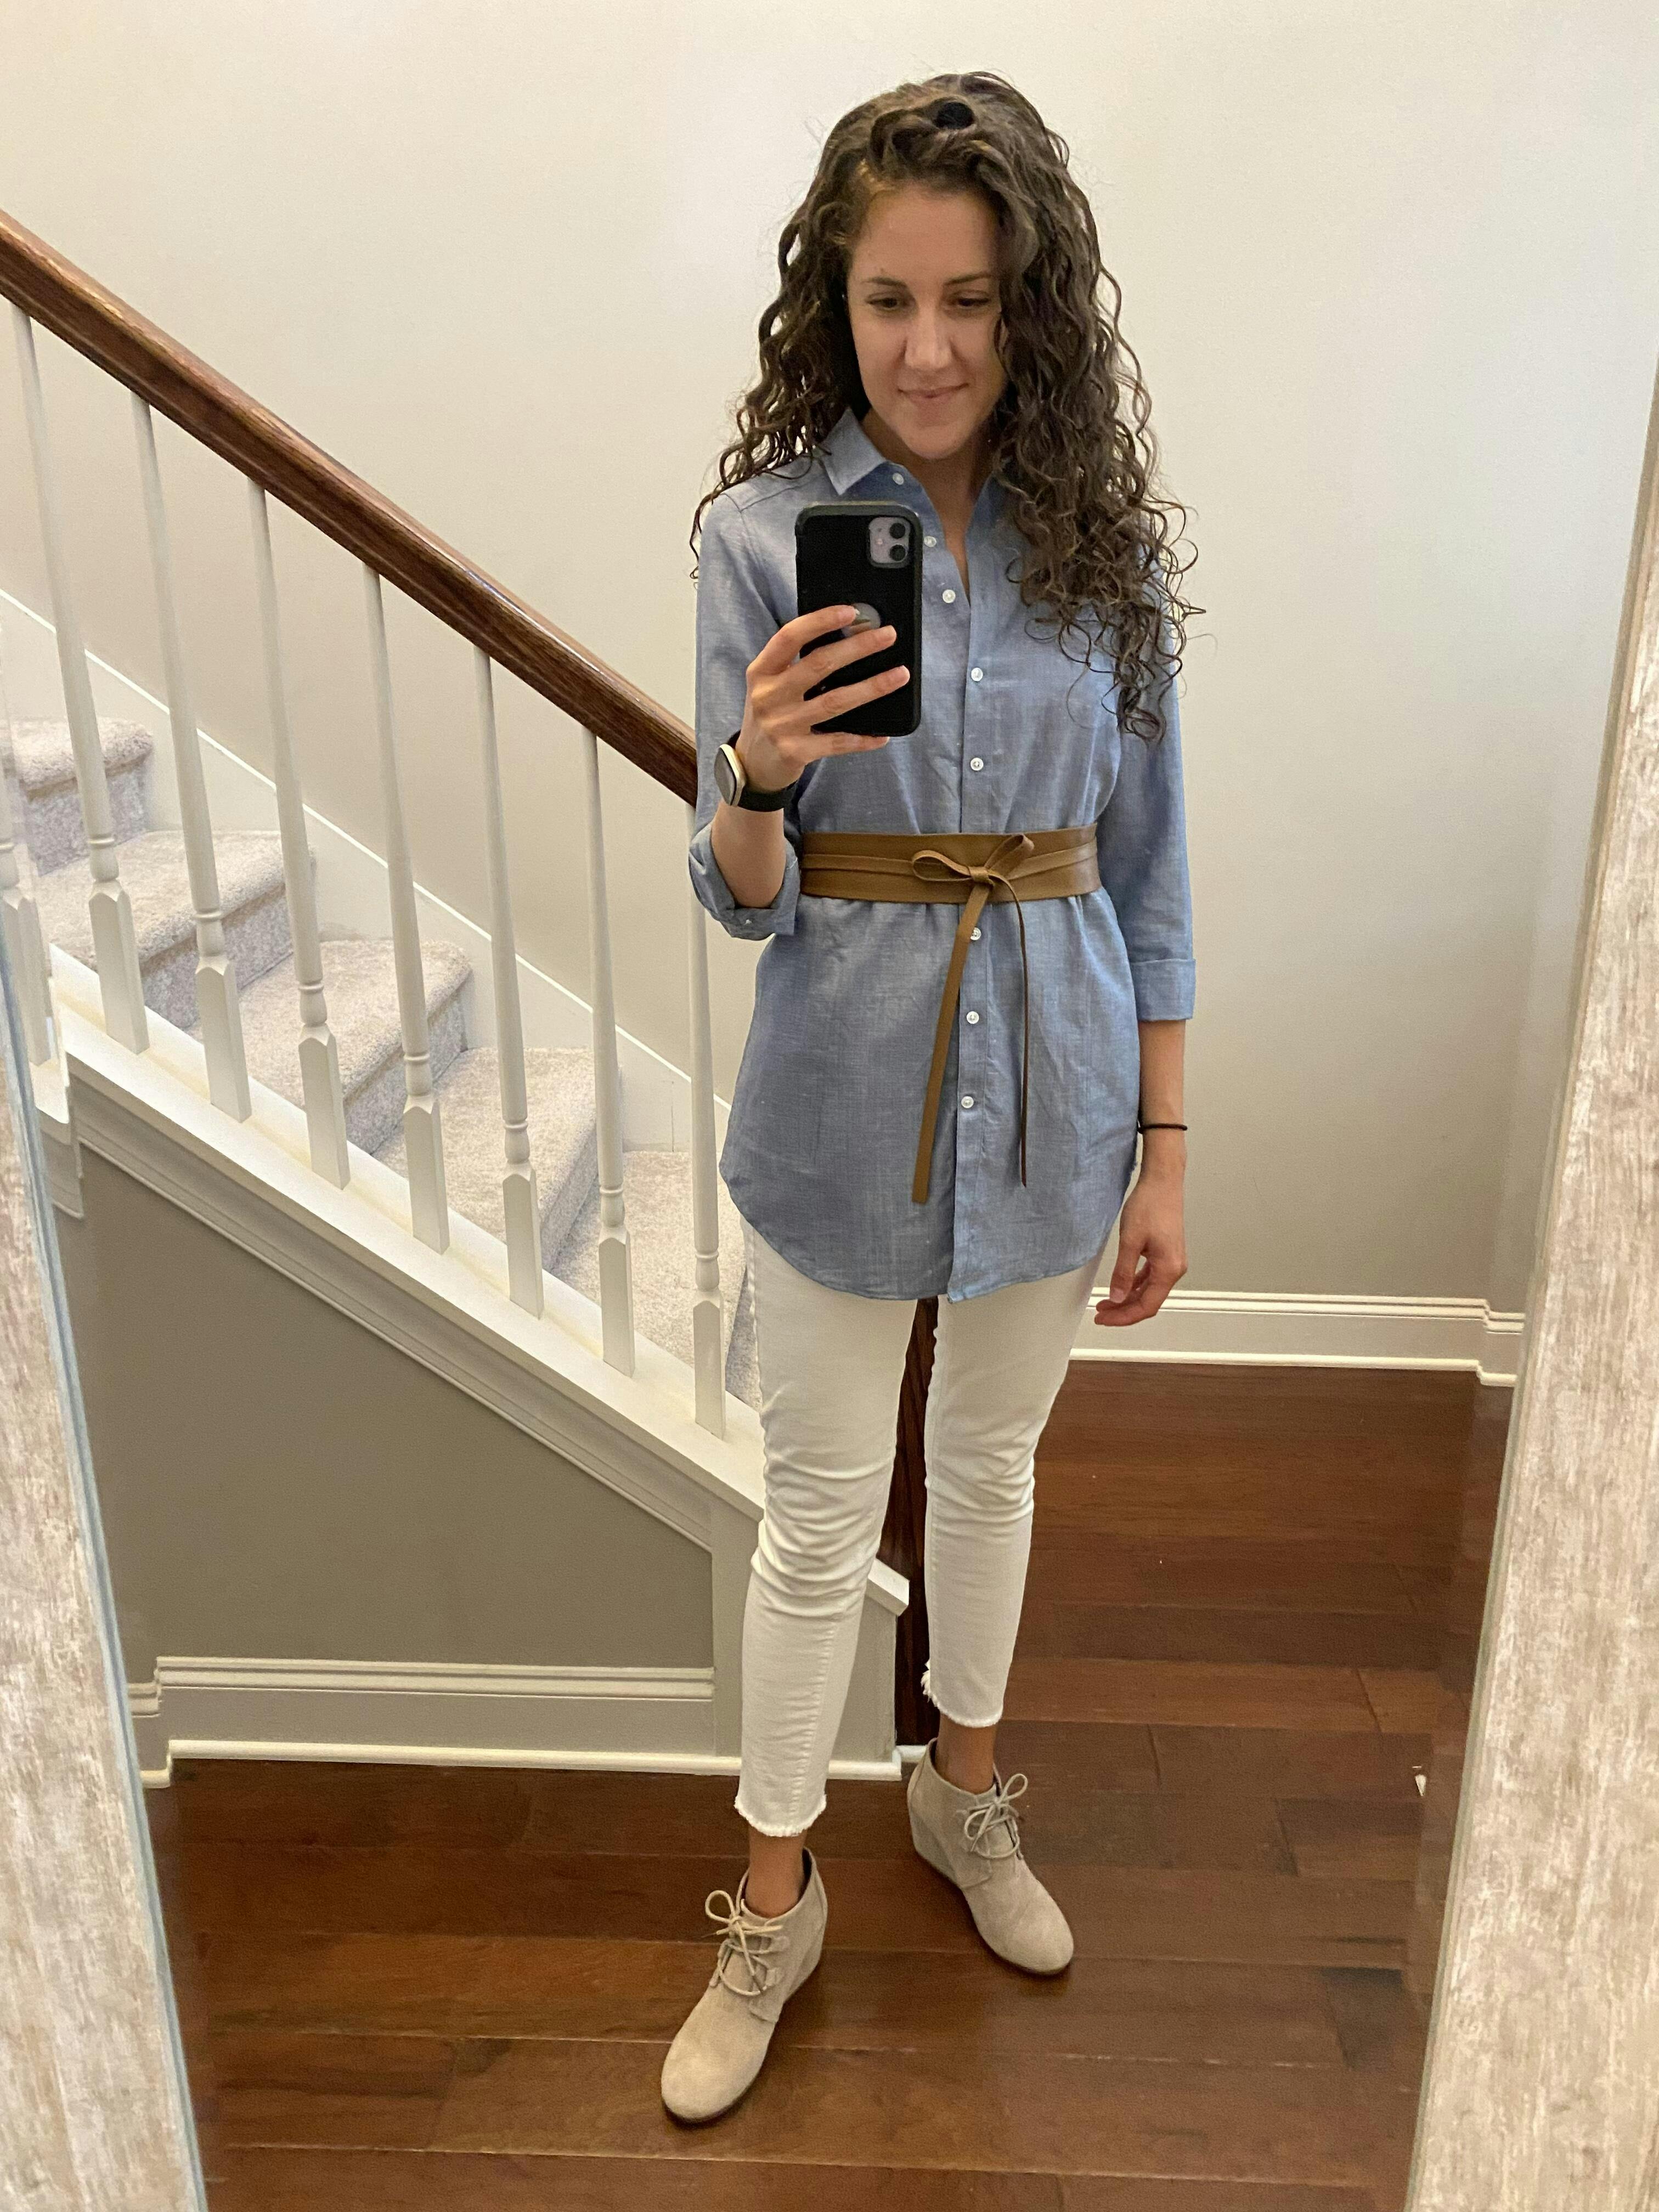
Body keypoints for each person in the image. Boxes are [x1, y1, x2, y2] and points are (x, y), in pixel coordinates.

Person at [664, 70, 1199, 2124]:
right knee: (816, 1515)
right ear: (836, 300)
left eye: (970, 299)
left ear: (1027, 305)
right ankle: (771, 1901)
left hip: (1061, 1077)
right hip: (838, 1086)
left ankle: (963, 1795)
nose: (930, 348)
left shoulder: (1099, 555)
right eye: (889, 299)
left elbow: (1149, 870)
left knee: (988, 1466)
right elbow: (742, 895)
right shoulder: (761, 542)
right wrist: (761, 774)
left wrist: (1166, 1148)